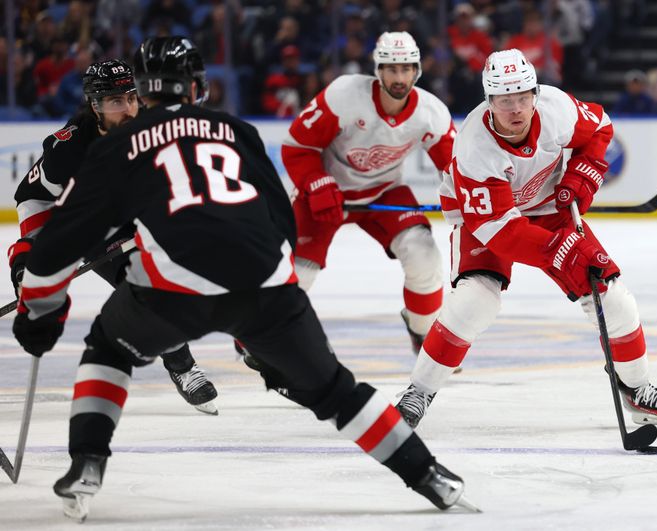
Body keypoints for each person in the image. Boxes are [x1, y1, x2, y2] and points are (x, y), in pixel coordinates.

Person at [11, 36, 472, 521]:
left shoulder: (120, 145)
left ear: (143, 93)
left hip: (174, 293)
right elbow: (280, 218)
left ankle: (87, 461)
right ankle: (429, 475)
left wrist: (39, 313)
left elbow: (61, 242)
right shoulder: (237, 130)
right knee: (335, 390)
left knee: (107, 347)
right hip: (265, 286)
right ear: (198, 88)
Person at [396, 48, 657, 429]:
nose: (517, 109)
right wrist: (560, 252)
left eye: (524, 96)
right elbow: (502, 233)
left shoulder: (556, 108)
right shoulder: (474, 148)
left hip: (550, 207)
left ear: (535, 93)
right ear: (489, 102)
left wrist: (583, 175)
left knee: (611, 296)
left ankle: (638, 391)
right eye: (505, 100)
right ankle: (418, 392)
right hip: (484, 220)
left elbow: (601, 128)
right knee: (476, 300)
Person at [7, 58, 219, 414]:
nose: (128, 109)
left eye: (132, 98)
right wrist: (27, 263)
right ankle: (183, 366)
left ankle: (184, 364)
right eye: (116, 102)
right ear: (95, 106)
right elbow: (34, 199)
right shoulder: (69, 147)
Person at [281, 31, 456, 355]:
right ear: (378, 70)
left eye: (406, 69)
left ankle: (422, 330)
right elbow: (297, 146)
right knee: (298, 274)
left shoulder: (431, 112)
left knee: (423, 254)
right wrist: (316, 182)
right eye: (391, 68)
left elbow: (456, 168)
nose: (399, 77)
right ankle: (258, 340)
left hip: (384, 191)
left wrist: (468, 200)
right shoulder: (344, 95)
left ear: (417, 70)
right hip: (326, 192)